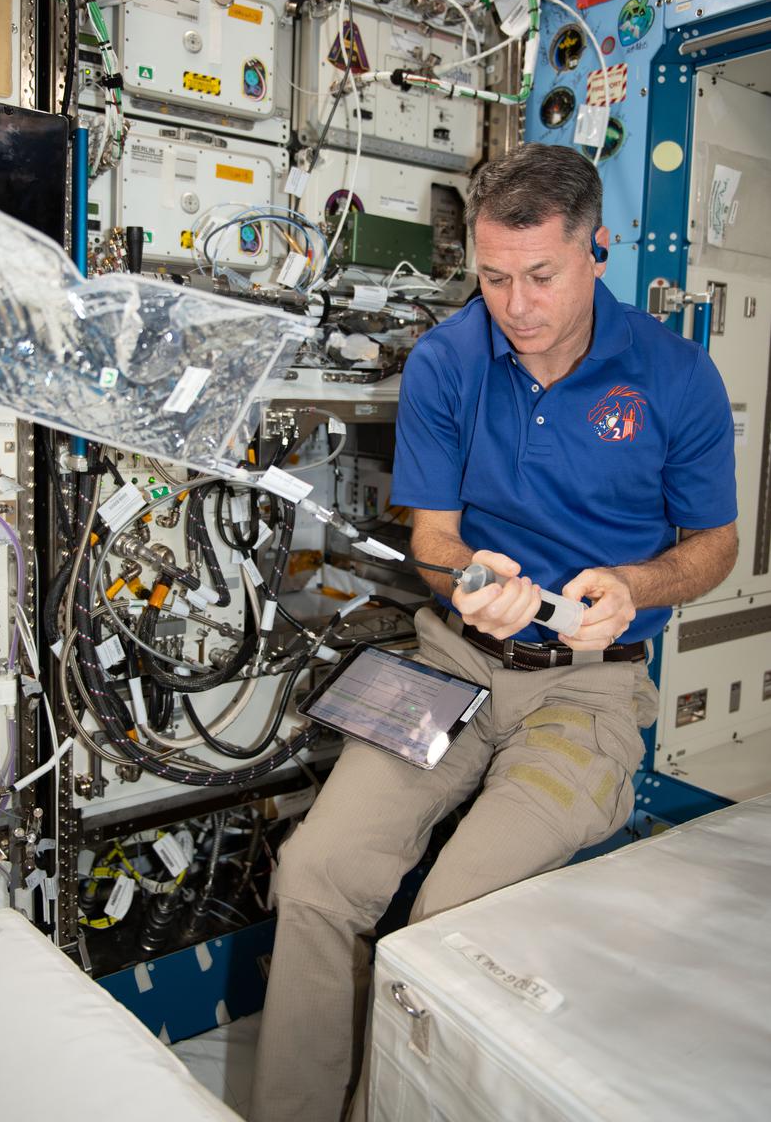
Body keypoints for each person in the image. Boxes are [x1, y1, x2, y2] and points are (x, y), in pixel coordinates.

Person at [249, 143, 738, 1122]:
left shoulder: (674, 374)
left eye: (541, 275)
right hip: (453, 660)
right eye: (493, 277)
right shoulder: (446, 359)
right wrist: (465, 579)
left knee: (447, 921)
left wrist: (635, 582)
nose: (515, 306)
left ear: (597, 249)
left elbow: (716, 544)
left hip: (590, 686)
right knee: (315, 872)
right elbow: (433, 538)